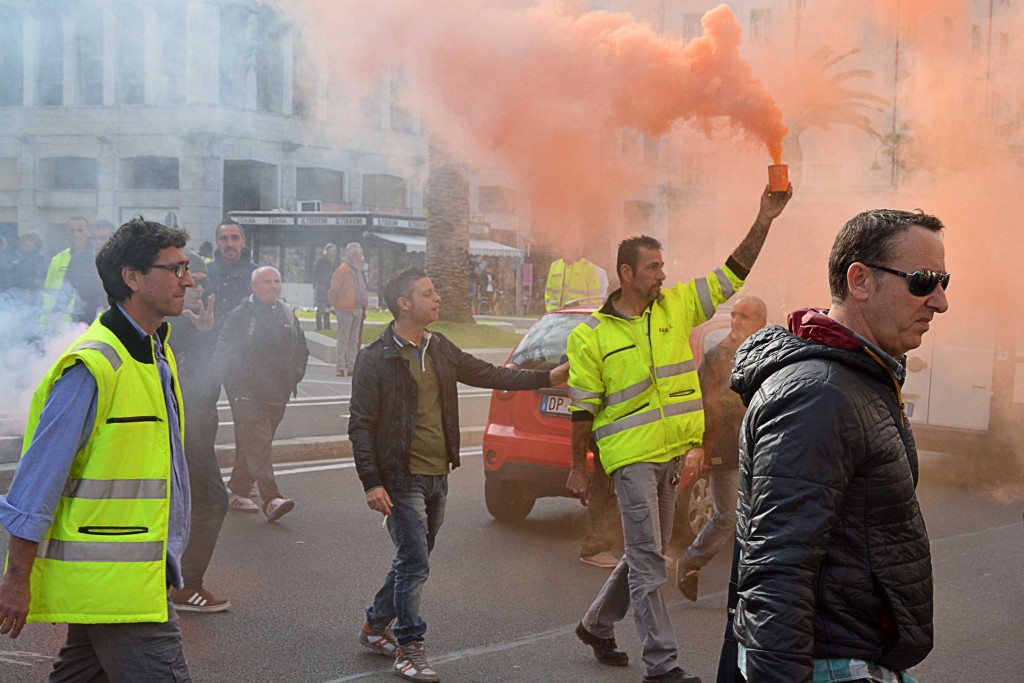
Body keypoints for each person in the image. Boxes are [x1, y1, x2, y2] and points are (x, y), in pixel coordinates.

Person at [566, 184, 792, 683]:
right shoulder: (590, 336)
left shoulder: (677, 305)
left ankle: (596, 624)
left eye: (663, 266)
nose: (663, 275)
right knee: (650, 559)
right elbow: (582, 409)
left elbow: (733, 273)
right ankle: (661, 663)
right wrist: (577, 468)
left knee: (644, 553)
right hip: (629, 460)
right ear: (626, 273)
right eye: (653, 268)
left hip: (669, 457)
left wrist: (764, 219)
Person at [729, 210, 945, 682]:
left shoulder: (853, 378)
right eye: (924, 281)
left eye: (943, 282)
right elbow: (779, 569)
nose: (940, 301)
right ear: (860, 280)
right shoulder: (820, 394)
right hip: (829, 667)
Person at [349, 267, 569, 682]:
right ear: (404, 304)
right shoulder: (376, 357)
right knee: (414, 562)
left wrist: (547, 377)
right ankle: (409, 648)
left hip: (438, 472)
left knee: (414, 556)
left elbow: (489, 373)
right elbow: (360, 423)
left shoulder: (439, 347)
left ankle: (374, 624)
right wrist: (371, 482)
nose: (437, 299)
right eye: (427, 293)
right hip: (401, 476)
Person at [0, 218, 195, 680]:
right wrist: (16, 577)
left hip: (126, 578)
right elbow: (38, 478)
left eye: (186, 267)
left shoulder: (156, 352)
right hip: (121, 587)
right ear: (132, 277)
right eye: (175, 269)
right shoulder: (94, 365)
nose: (187, 280)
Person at [676, 296, 767, 602]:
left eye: (744, 316)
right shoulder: (718, 356)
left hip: (758, 448)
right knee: (728, 515)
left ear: (761, 323)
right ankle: (691, 561)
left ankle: (747, 589)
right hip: (725, 449)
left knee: (754, 519)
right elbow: (703, 403)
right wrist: (699, 446)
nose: (736, 321)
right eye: (734, 315)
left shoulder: (766, 353)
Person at [165, 251, 230, 613]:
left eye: (202, 282)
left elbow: (209, 383)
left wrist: (206, 334)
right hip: (183, 433)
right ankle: (186, 586)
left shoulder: (198, 323)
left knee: (184, 505)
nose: (196, 287)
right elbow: (188, 388)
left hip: (195, 430)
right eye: (189, 279)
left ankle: (171, 583)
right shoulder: (168, 326)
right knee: (211, 500)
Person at [216, 266, 308, 522]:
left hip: (278, 393)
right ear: (253, 286)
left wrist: (292, 377)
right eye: (267, 281)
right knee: (259, 443)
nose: (273, 286)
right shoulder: (240, 315)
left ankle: (237, 490)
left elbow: (301, 350)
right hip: (248, 394)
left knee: (257, 445)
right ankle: (271, 499)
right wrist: (239, 383)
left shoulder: (287, 313)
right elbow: (225, 351)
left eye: (276, 281)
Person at [42, 216, 106, 324]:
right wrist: (46, 321)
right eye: (72, 231)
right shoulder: (58, 259)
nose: (76, 234)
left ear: (89, 232)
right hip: (61, 321)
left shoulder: (97, 256)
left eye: (80, 230)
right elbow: (49, 293)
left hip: (90, 319)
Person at [329, 242, 368, 377]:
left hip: (357, 309)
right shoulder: (342, 270)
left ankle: (352, 366)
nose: (362, 256)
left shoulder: (358, 270)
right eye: (360, 254)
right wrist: (336, 304)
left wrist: (363, 307)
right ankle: (340, 366)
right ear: (354, 255)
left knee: (354, 339)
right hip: (345, 309)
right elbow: (334, 290)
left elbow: (362, 290)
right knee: (343, 338)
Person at [206, 219, 258, 316]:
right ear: (217, 243)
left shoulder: (257, 275)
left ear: (243, 242)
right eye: (223, 239)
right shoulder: (205, 273)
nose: (229, 244)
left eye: (235, 238)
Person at [8, 232, 48, 306]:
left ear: (36, 245)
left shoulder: (39, 258)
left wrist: (31, 290)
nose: (24, 243)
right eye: (23, 240)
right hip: (16, 291)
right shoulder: (20, 257)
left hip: (30, 293)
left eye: (29, 240)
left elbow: (38, 276)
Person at [313, 243, 339, 331]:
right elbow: (316, 274)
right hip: (322, 287)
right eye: (333, 250)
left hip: (330, 287)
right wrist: (320, 283)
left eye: (335, 251)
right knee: (321, 307)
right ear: (327, 251)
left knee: (327, 307)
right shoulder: (320, 261)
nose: (334, 253)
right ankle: (319, 326)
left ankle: (327, 326)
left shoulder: (335, 262)